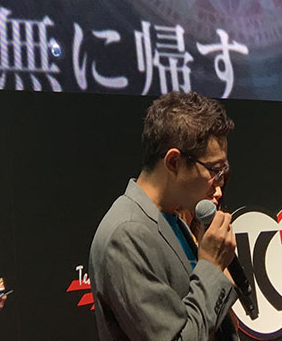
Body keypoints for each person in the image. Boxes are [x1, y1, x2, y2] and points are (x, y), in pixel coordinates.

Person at [89, 91, 239, 341]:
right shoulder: (126, 234)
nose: (219, 184)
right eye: (214, 170)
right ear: (173, 162)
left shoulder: (172, 218)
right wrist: (212, 267)